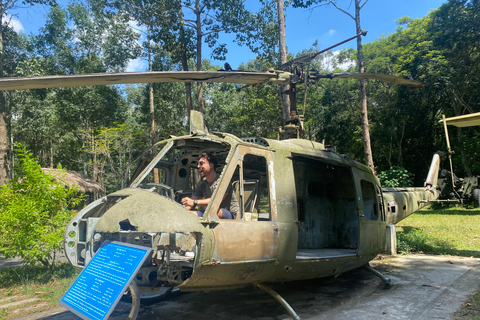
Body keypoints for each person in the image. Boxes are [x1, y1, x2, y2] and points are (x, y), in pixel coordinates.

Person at [181, 152, 239, 219]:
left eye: (201, 163)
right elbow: (192, 200)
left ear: (211, 166)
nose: (198, 166)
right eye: (198, 164)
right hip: (210, 213)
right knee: (189, 215)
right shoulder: (203, 185)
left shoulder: (223, 181)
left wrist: (195, 202)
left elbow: (215, 201)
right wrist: (184, 208)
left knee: (215, 212)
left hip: (232, 215)